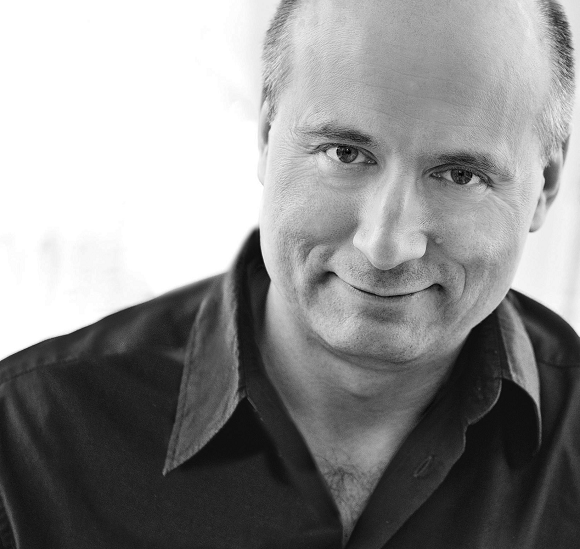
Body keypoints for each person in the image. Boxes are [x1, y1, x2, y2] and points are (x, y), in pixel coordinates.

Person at [0, 0, 578, 547]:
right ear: (265, 133)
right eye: (345, 153)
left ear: (545, 185)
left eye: (460, 176)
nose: (385, 246)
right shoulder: (26, 444)